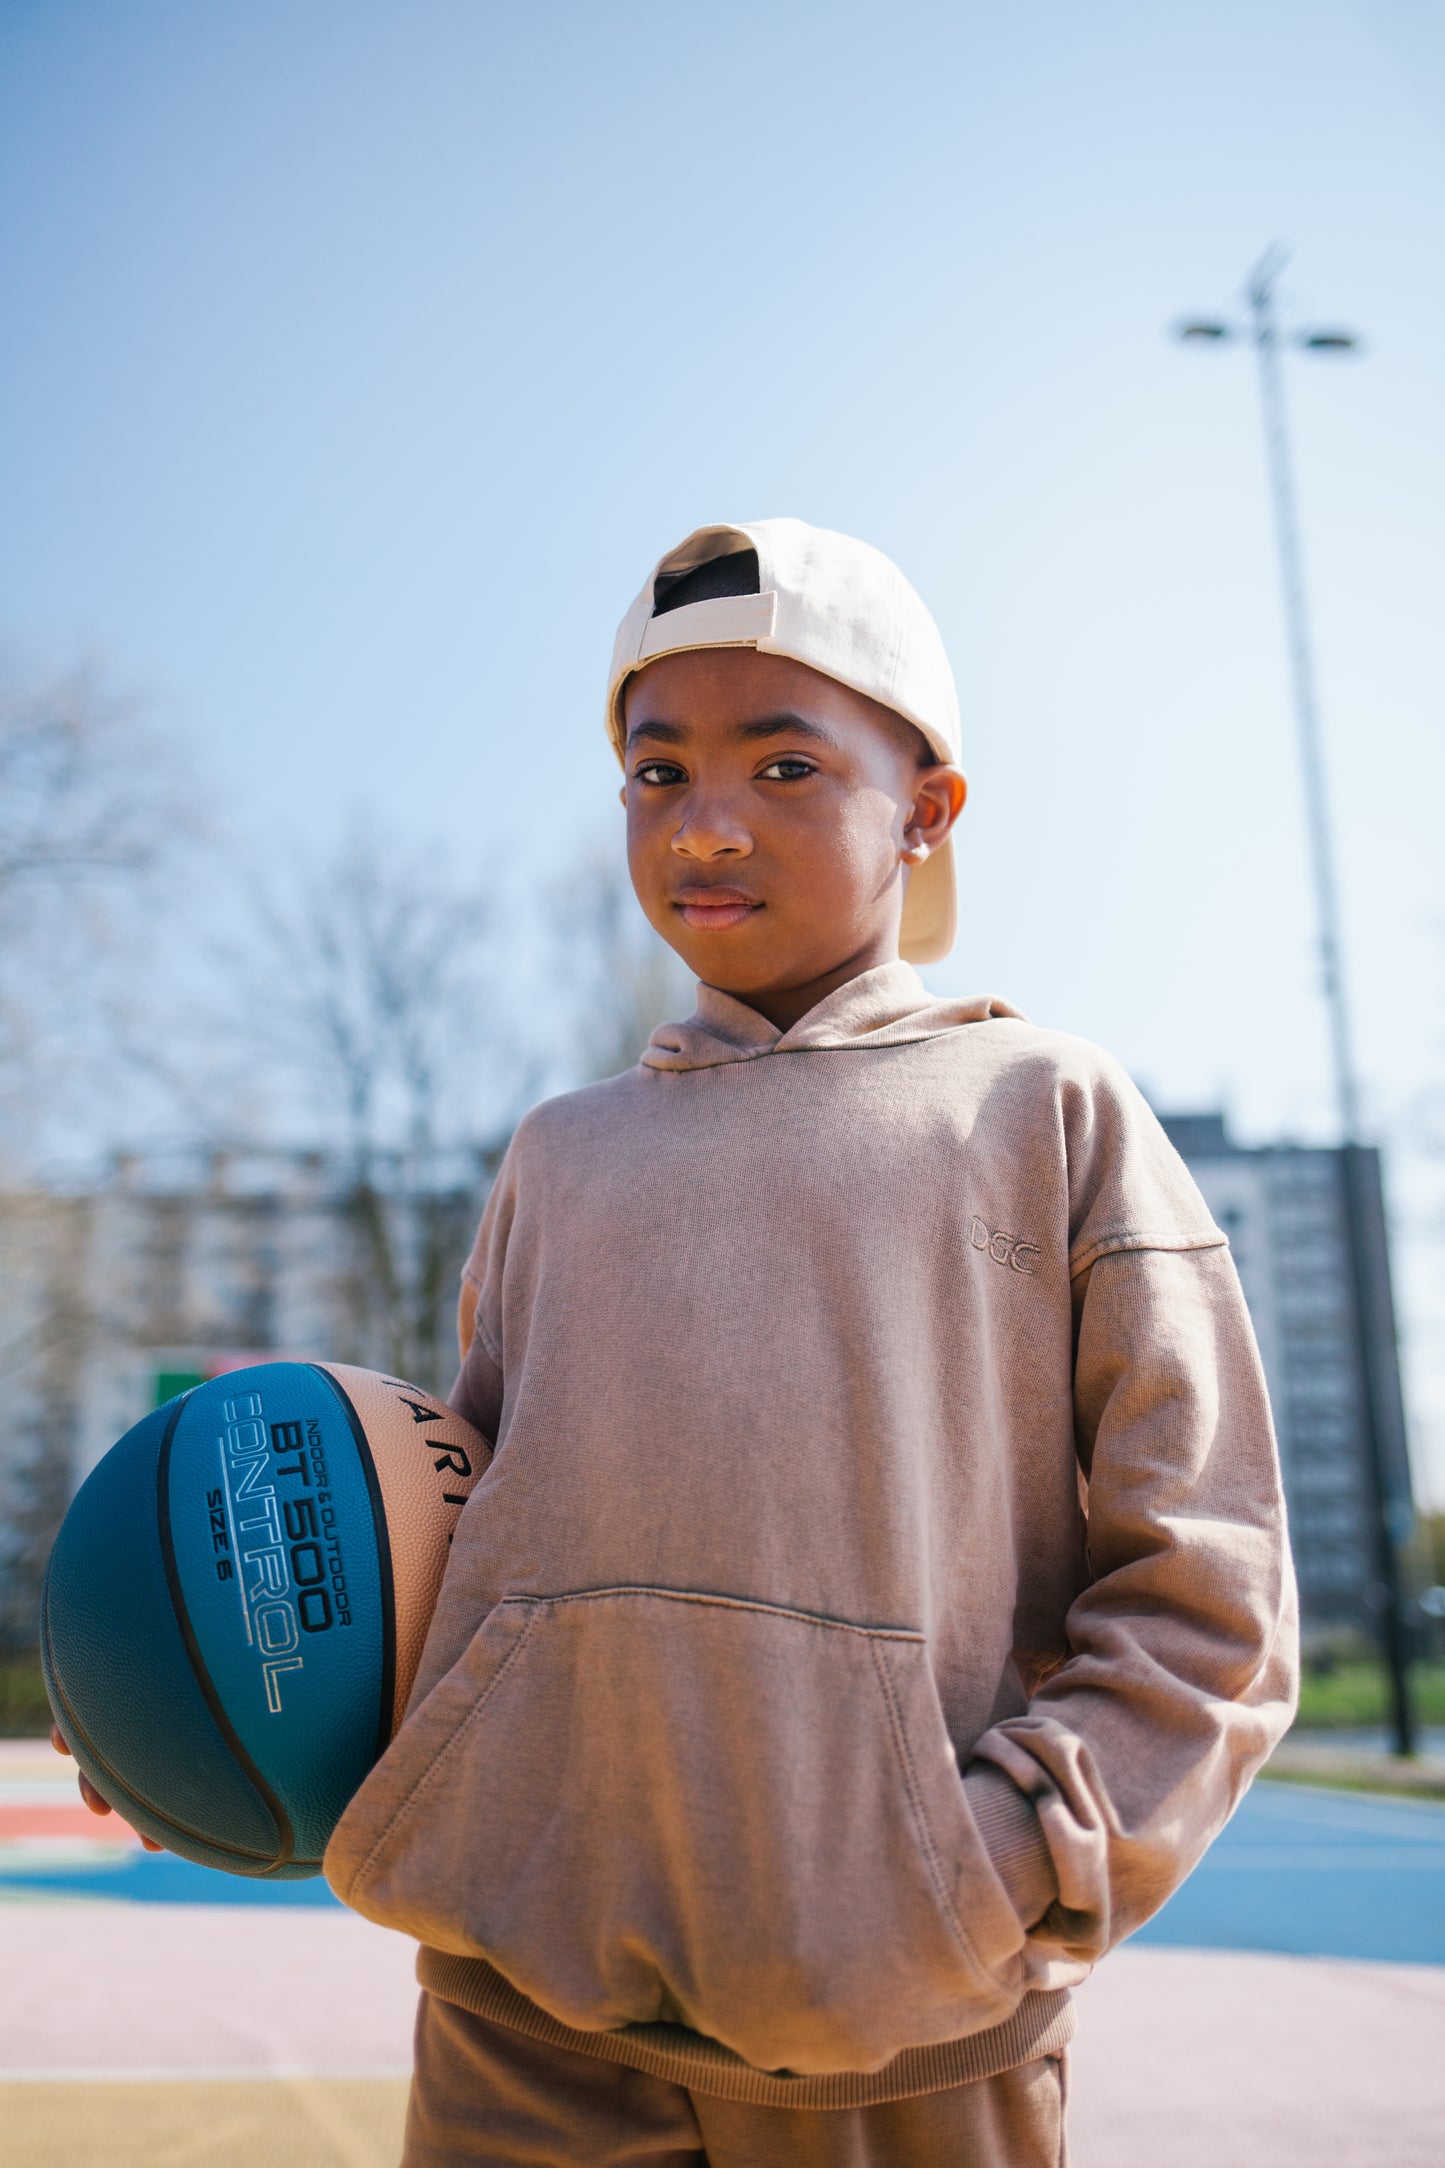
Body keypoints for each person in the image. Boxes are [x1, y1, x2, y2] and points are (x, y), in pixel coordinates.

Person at [326, 517, 1299, 2165]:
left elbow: (1209, 1589)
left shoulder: (1043, 1110)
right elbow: (457, 1550)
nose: (705, 824)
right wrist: (233, 1712)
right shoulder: (559, 1153)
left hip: (900, 2028)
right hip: (512, 2009)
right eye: (658, 771)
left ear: (924, 812)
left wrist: (985, 1874)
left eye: (784, 766)